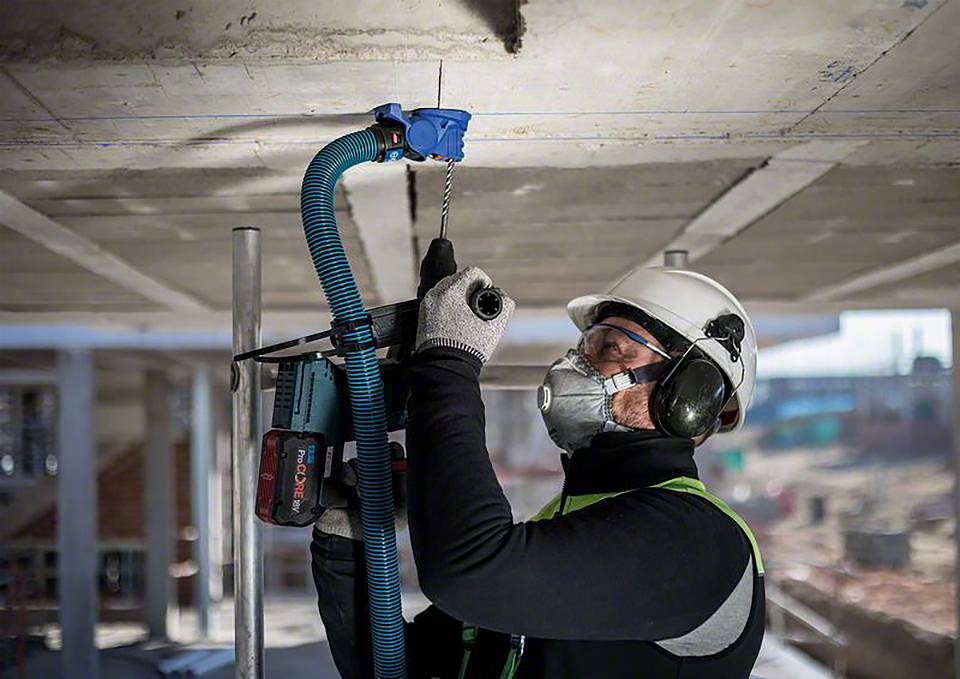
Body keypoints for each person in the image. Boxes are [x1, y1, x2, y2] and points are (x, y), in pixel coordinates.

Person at [312, 265, 764, 678]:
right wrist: (346, 541)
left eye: (610, 349)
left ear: (691, 399)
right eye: (585, 346)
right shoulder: (566, 526)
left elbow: (469, 574)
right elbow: (393, 663)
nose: (578, 366)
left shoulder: (696, 540)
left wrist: (448, 363)